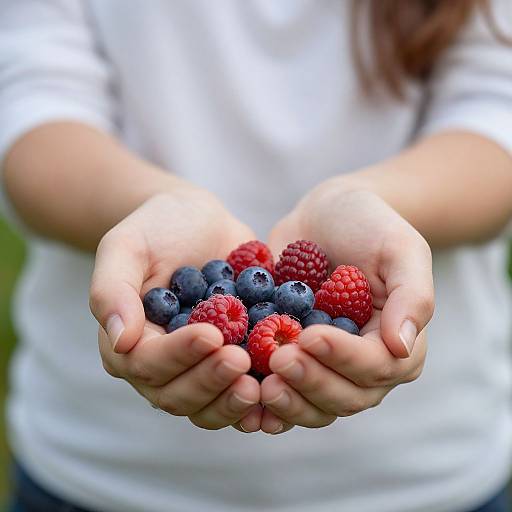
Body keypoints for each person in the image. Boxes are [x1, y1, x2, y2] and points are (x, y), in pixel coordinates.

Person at [1, 1, 511, 511]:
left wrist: (375, 202)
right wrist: (149, 205)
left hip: (427, 473)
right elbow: (32, 104)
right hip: (102, 469)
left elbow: (496, 114)